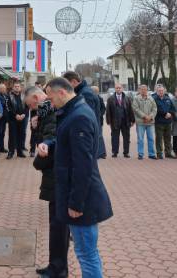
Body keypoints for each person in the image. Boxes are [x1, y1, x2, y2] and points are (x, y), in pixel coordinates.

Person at [42, 77, 112, 277]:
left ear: (62, 93)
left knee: (86, 254)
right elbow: (69, 144)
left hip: (84, 202)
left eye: (52, 99)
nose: (51, 103)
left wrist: (76, 204)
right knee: (87, 253)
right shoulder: (75, 111)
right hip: (80, 198)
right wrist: (51, 144)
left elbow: (83, 167)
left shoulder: (78, 116)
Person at [27, 86, 69, 278]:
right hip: (55, 174)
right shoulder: (47, 111)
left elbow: (51, 142)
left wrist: (38, 162)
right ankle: (55, 265)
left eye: (32, 105)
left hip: (57, 174)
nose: (34, 109)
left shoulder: (51, 110)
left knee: (59, 225)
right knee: (56, 223)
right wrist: (36, 126)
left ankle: (58, 269)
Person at [63, 71, 106, 159]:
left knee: (89, 169)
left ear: (74, 82)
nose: (66, 88)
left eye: (67, 85)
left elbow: (87, 118)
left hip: (88, 137)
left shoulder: (85, 93)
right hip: (88, 136)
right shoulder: (83, 91)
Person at [105, 83, 135, 158]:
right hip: (115, 121)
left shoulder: (127, 98)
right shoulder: (110, 99)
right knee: (115, 137)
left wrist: (132, 120)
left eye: (119, 88)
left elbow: (130, 110)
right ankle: (115, 152)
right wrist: (108, 121)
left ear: (122, 89)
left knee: (126, 138)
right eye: (117, 88)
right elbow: (108, 111)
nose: (118, 89)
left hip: (125, 121)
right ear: (115, 89)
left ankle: (126, 152)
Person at [131, 84, 157, 160]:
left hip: (150, 122)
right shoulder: (136, 98)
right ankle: (140, 154)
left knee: (151, 139)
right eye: (142, 89)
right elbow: (135, 109)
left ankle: (151, 154)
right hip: (141, 122)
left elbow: (155, 109)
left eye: (145, 89)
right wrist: (144, 116)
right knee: (140, 139)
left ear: (147, 90)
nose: (144, 91)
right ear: (139, 90)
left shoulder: (151, 98)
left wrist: (150, 117)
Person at [152, 85, 175, 159]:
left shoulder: (168, 99)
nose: (161, 92)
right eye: (159, 91)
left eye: (162, 90)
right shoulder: (154, 99)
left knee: (168, 138)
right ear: (157, 91)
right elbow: (155, 110)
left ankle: (168, 153)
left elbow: (173, 109)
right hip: (159, 122)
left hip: (168, 122)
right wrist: (165, 114)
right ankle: (159, 153)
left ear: (164, 91)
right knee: (159, 138)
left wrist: (170, 113)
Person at [8, 81, 28, 159]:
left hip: (22, 119)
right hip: (13, 119)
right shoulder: (9, 96)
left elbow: (27, 106)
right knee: (12, 136)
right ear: (13, 87)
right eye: (15, 86)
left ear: (20, 88)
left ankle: (20, 152)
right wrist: (15, 115)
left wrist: (24, 114)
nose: (17, 87)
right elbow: (8, 107)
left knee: (21, 135)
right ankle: (11, 152)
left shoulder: (23, 96)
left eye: (18, 86)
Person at [0, 83, 11, 154]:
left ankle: (1, 147)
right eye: (3, 89)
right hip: (0, 117)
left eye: (5, 89)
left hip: (4, 118)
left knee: (2, 133)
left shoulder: (5, 95)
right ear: (0, 89)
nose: (5, 90)